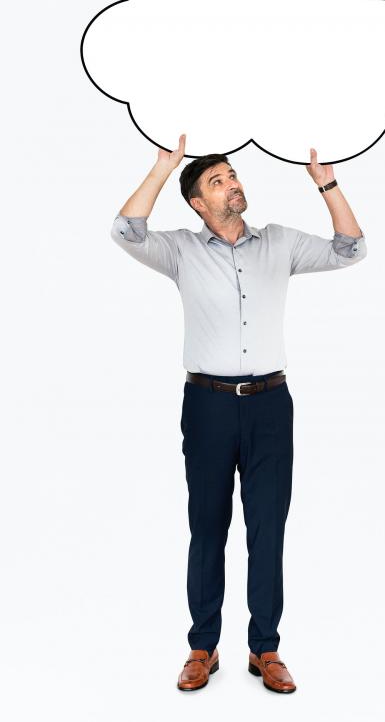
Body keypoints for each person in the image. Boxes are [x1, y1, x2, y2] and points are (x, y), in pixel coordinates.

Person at [110, 134, 367, 693]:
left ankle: (265, 649)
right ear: (199, 203)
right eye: (218, 181)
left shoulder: (278, 242)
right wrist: (162, 168)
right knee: (207, 528)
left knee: (267, 530)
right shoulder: (179, 249)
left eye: (233, 176)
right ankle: (203, 646)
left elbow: (351, 249)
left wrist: (326, 183)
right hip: (206, 406)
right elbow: (125, 230)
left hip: (271, 405)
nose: (233, 185)